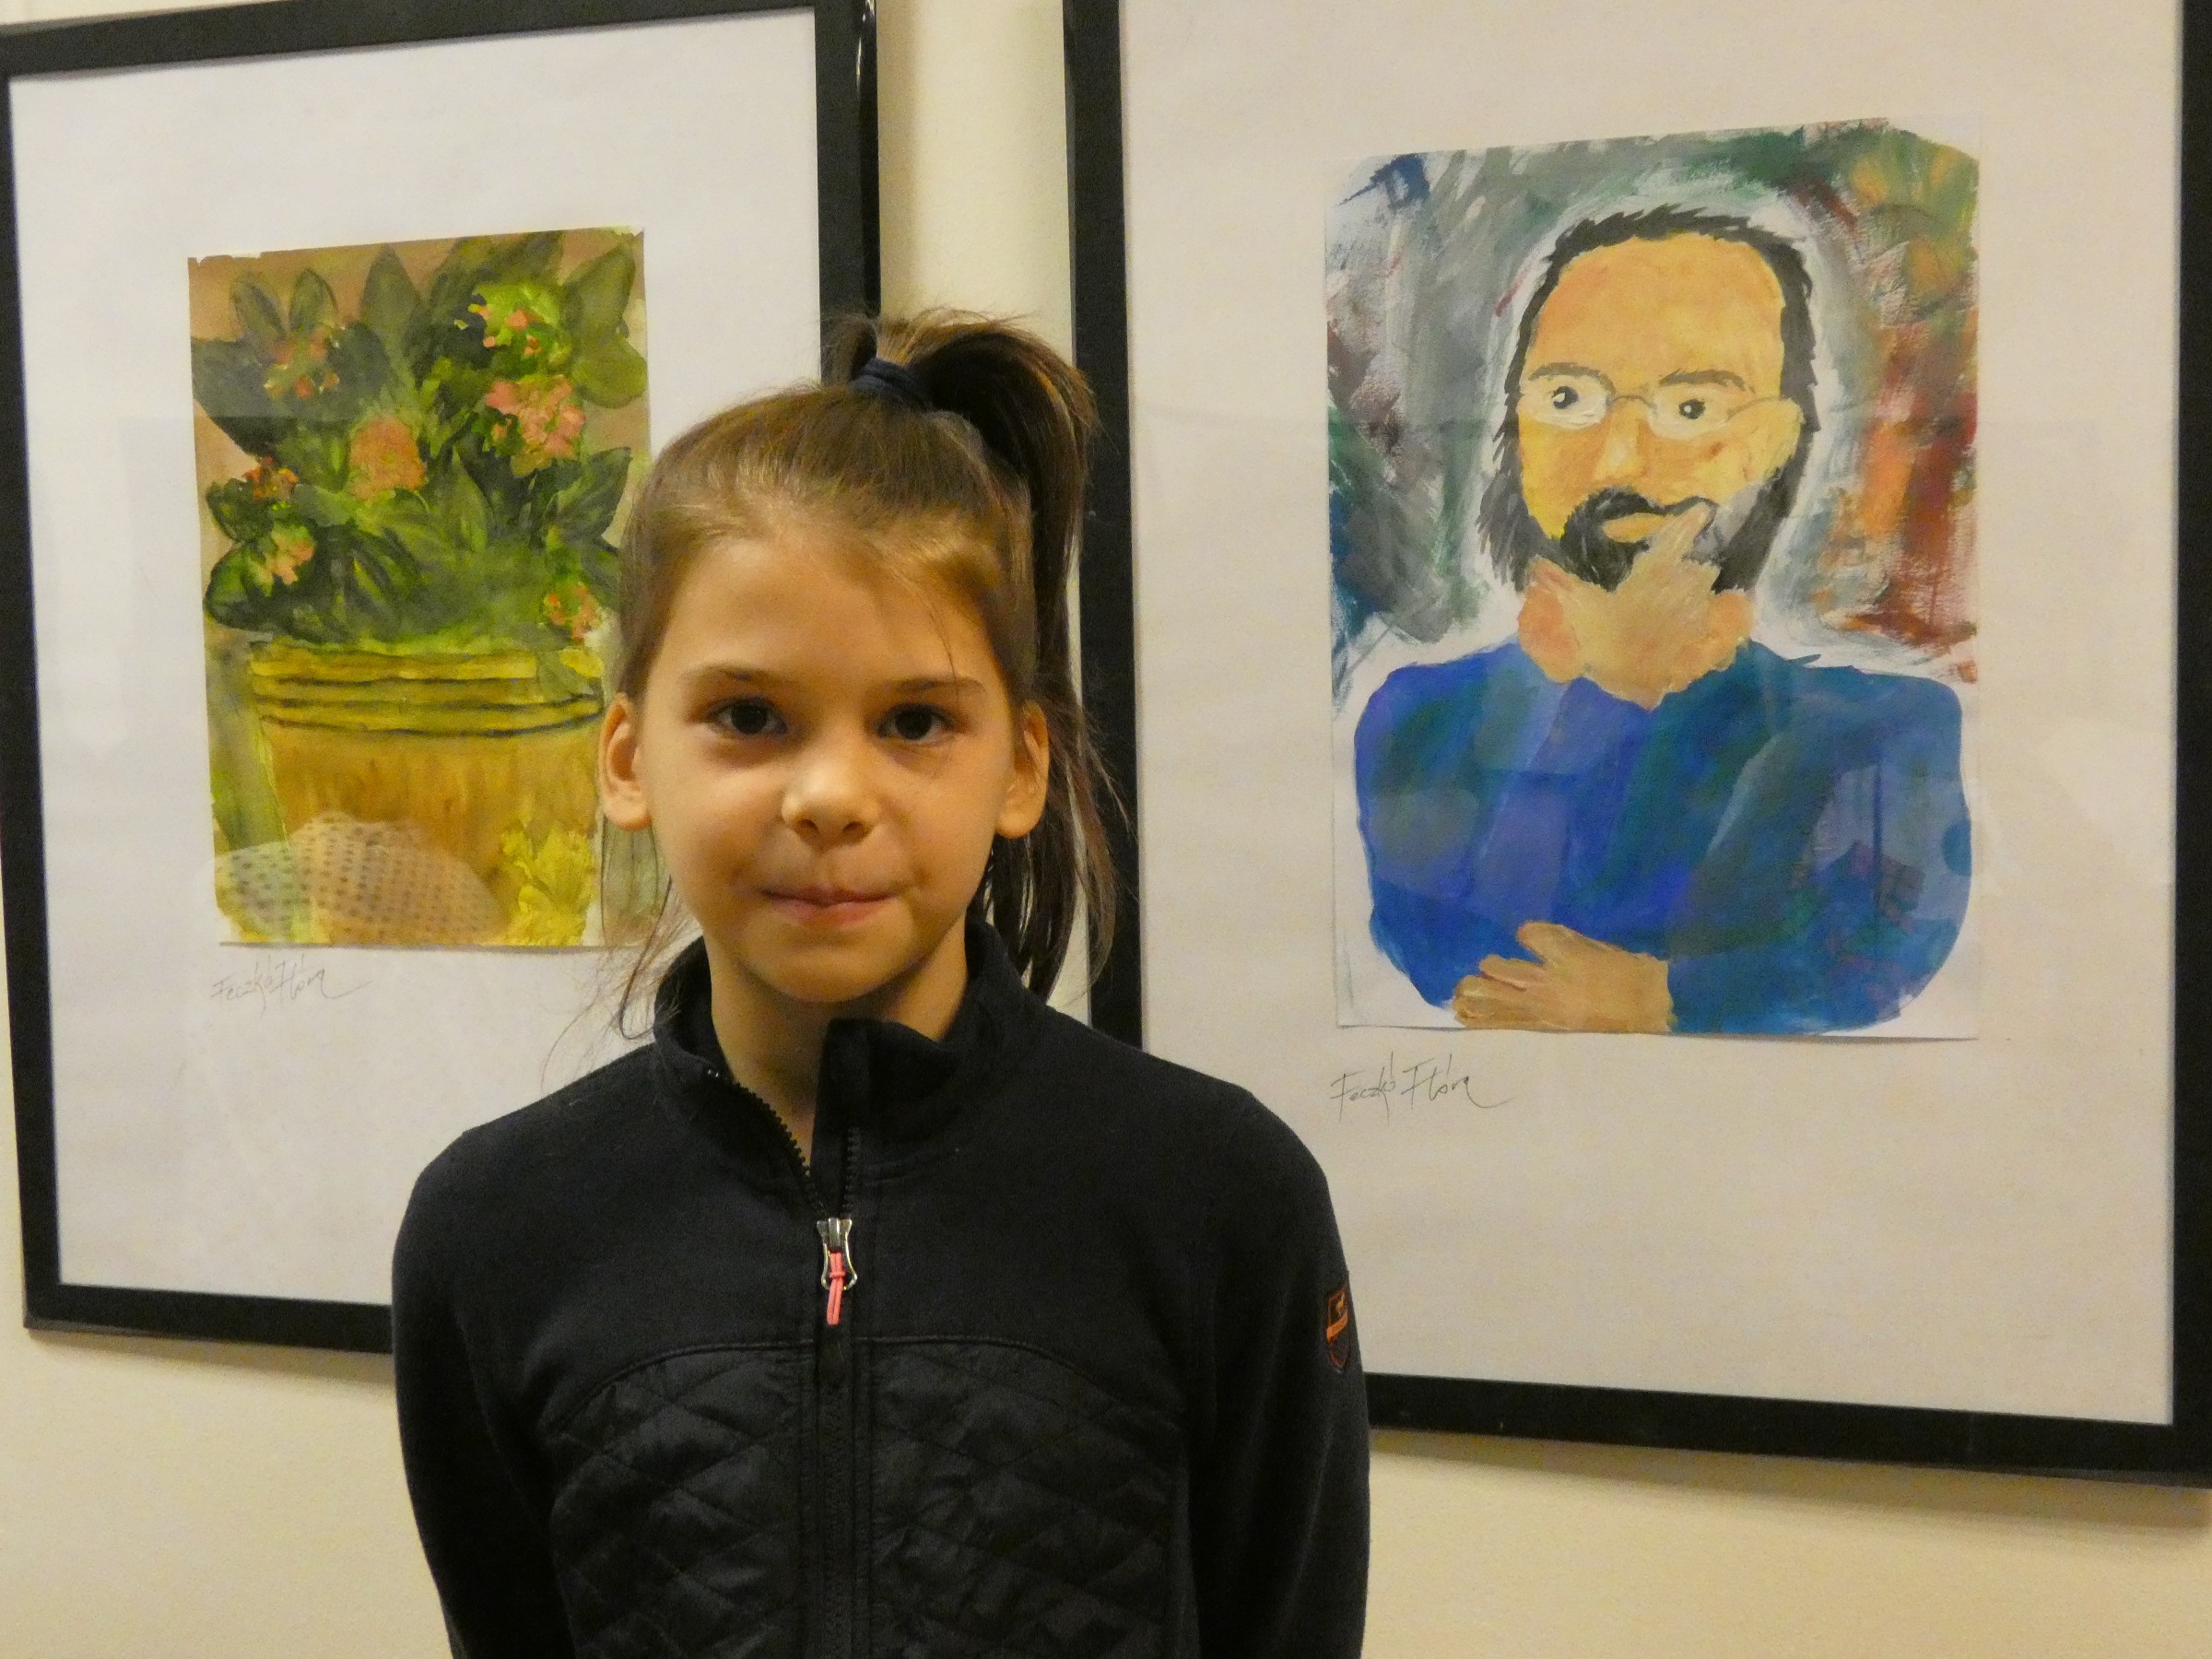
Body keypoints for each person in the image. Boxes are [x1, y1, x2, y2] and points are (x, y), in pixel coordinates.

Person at [392, 313, 1370, 1657]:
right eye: (749, 716)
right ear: (626, 758)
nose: (832, 796)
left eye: (916, 722)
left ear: (1019, 764)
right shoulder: (496, 1226)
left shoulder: (1218, 1199)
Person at [1355, 207, 1971, 1036]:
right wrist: (1610, 694)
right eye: (1568, 398)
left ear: (1776, 443)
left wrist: (1664, 1000)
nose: (1619, 459)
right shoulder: (1417, 720)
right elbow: (1451, 964)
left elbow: (1868, 971)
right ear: (1517, 428)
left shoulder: (1886, 732)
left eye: (1691, 408)